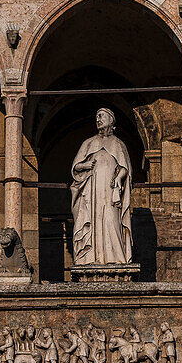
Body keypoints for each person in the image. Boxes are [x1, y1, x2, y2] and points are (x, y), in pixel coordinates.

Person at [70, 108, 133, 265]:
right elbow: (75, 167)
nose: (98, 119)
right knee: (93, 219)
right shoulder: (89, 143)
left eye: (101, 116)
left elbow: (125, 167)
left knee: (112, 220)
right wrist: (85, 165)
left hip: (111, 191)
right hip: (92, 192)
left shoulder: (118, 144)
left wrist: (119, 178)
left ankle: (116, 258)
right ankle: (91, 258)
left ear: (111, 120)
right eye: (97, 116)